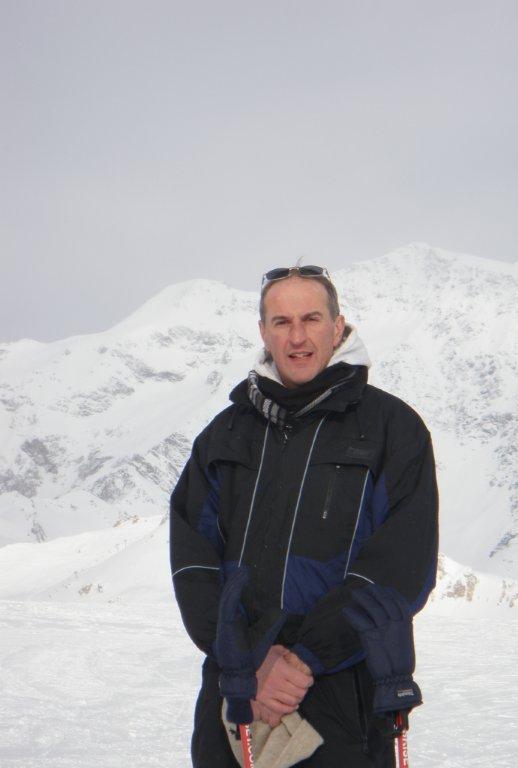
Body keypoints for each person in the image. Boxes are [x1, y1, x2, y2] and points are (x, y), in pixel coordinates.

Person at [170, 265, 439, 767]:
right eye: (282, 322)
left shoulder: (392, 429)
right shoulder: (224, 435)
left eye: (311, 319)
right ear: (263, 332)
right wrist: (250, 657)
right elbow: (193, 561)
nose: (297, 337)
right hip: (236, 691)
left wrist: (304, 659)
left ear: (338, 327)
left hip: (343, 698)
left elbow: (400, 566)